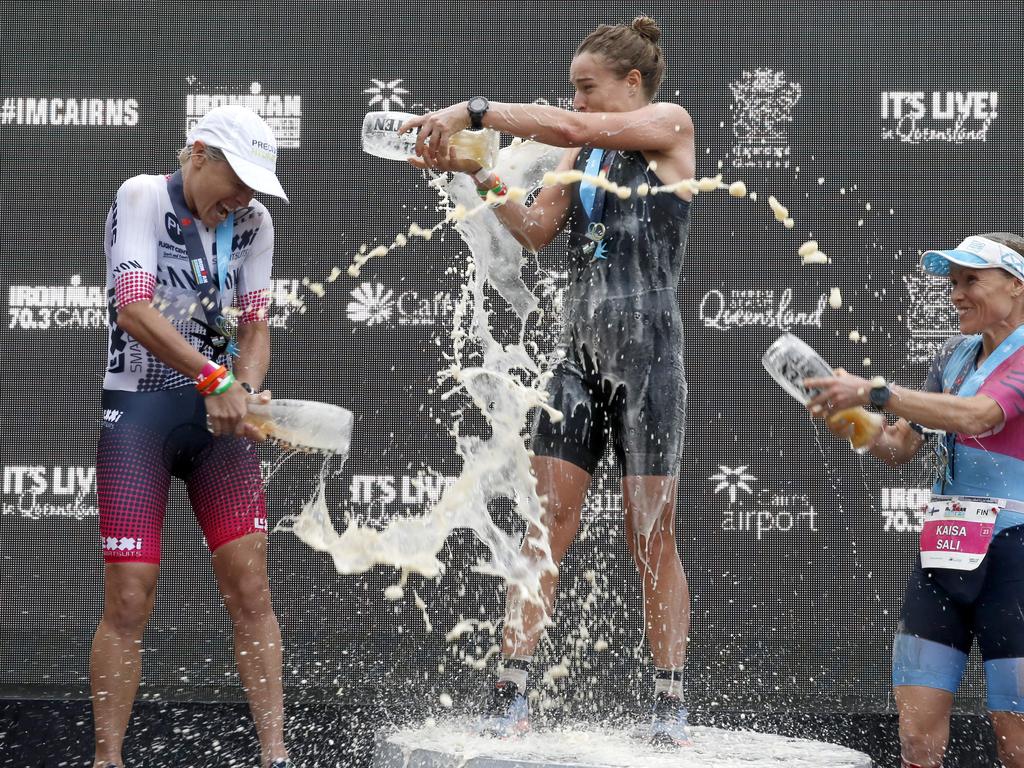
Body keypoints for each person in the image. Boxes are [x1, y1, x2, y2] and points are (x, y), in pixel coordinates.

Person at [402, 16, 696, 746]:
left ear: (632, 84)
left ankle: (669, 700)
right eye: (574, 91)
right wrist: (479, 171)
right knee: (545, 526)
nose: (578, 102)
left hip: (650, 363)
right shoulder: (579, 163)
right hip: (579, 363)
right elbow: (532, 230)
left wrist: (473, 113)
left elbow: (568, 127)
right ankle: (512, 689)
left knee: (649, 536)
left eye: (588, 88)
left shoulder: (670, 127)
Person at [91, 105, 294, 768]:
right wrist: (216, 380)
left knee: (252, 590)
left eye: (256, 182)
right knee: (129, 594)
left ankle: (275, 756)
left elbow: (256, 329)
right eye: (238, 176)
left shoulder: (255, 222)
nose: (245, 195)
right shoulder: (144, 194)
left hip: (217, 417)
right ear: (199, 153)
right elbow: (134, 307)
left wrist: (249, 388)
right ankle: (108, 760)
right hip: (141, 412)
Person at [805, 233, 1024, 768]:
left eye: (971, 280)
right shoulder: (951, 355)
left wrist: (875, 392)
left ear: (1017, 284)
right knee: (917, 743)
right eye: (952, 283)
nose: (956, 294)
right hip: (943, 557)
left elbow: (979, 417)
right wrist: (846, 417)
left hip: (1016, 561)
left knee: (1016, 745)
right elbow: (898, 446)